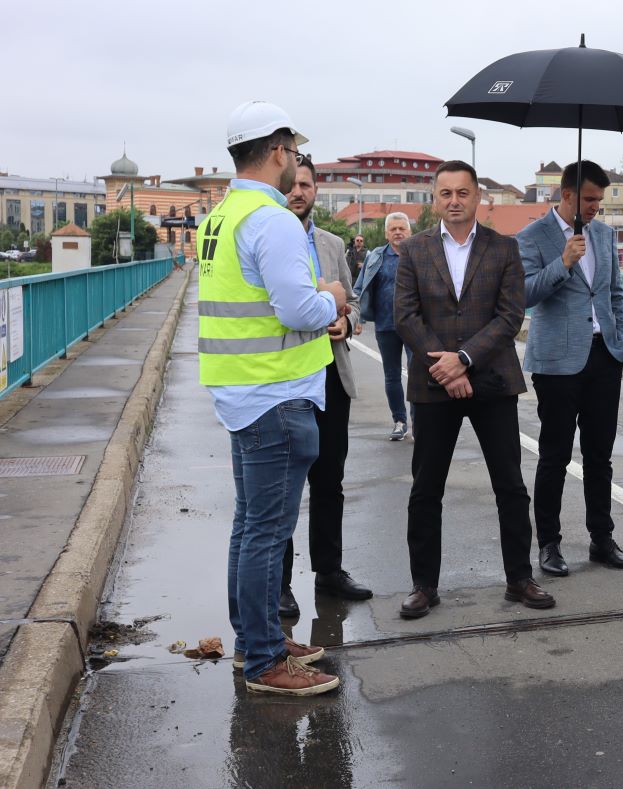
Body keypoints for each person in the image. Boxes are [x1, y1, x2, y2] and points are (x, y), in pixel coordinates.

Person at [198, 100, 345, 695]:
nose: (295, 161)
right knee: (266, 531)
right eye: (295, 151)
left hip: (243, 392)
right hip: (276, 394)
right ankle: (263, 660)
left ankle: (253, 641)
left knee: (250, 527)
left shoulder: (220, 216)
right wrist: (333, 296)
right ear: (280, 151)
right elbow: (298, 309)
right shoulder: (273, 219)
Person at [394, 160, 554, 618]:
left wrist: (463, 359)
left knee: (510, 486)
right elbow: (405, 316)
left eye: (462, 193)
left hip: (492, 381)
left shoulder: (504, 248)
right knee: (426, 489)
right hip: (433, 383)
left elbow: (510, 315)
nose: (454, 201)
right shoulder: (414, 250)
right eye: (445, 194)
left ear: (477, 197)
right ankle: (424, 586)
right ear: (434, 200)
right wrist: (445, 366)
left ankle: (519, 579)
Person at [518, 160, 623, 575]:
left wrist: (621, 338)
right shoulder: (532, 236)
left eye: (599, 200)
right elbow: (523, 294)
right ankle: (549, 544)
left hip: (604, 356)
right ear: (566, 195)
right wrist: (563, 262)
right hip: (557, 362)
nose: (595, 207)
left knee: (600, 455)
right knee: (555, 455)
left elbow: (614, 291)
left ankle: (602, 538)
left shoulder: (603, 234)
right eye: (588, 199)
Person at [278, 156, 372, 619]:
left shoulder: (333, 244)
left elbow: (353, 301)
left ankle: (329, 572)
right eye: (292, 185)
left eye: (306, 185)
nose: (298, 192)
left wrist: (346, 321)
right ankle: (279, 584)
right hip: (288, 376)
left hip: (331, 373)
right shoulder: (270, 238)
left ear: (316, 191)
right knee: (284, 485)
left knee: (329, 479)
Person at [355, 212, 412, 441]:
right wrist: (357, 318)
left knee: (418, 374)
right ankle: (400, 421)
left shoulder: (419, 253)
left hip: (415, 325)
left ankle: (420, 422)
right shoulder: (375, 257)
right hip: (386, 325)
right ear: (386, 233)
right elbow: (358, 288)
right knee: (392, 376)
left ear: (409, 232)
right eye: (393, 229)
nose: (398, 232)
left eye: (402, 228)